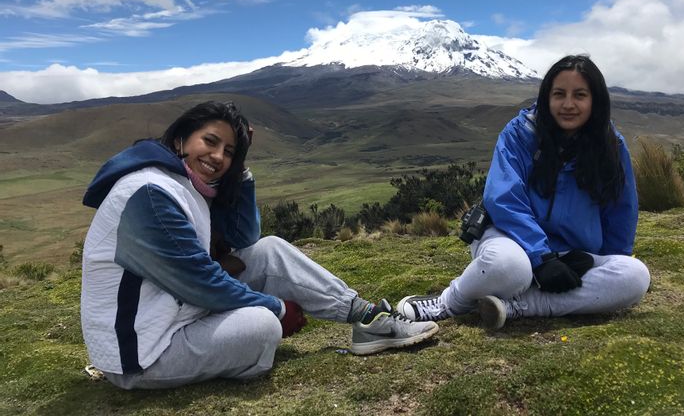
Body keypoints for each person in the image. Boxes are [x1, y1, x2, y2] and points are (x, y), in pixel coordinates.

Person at [81, 100, 438, 389]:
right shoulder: (150, 194)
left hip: (171, 312)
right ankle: (236, 356)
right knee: (262, 326)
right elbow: (199, 282)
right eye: (209, 141)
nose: (219, 156)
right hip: (142, 352)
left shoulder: (183, 183)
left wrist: (241, 168)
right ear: (180, 140)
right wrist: (278, 309)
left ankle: (367, 317)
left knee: (270, 250)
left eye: (230, 151)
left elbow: (244, 238)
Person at [397, 55, 650, 329]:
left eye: (579, 95)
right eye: (559, 94)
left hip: (572, 252)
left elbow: (620, 209)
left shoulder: (611, 145)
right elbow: (503, 198)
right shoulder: (519, 134)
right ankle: (449, 302)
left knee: (635, 275)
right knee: (511, 268)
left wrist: (606, 262)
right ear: (546, 97)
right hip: (510, 240)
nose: (568, 104)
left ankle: (515, 307)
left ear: (595, 100)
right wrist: (541, 258)